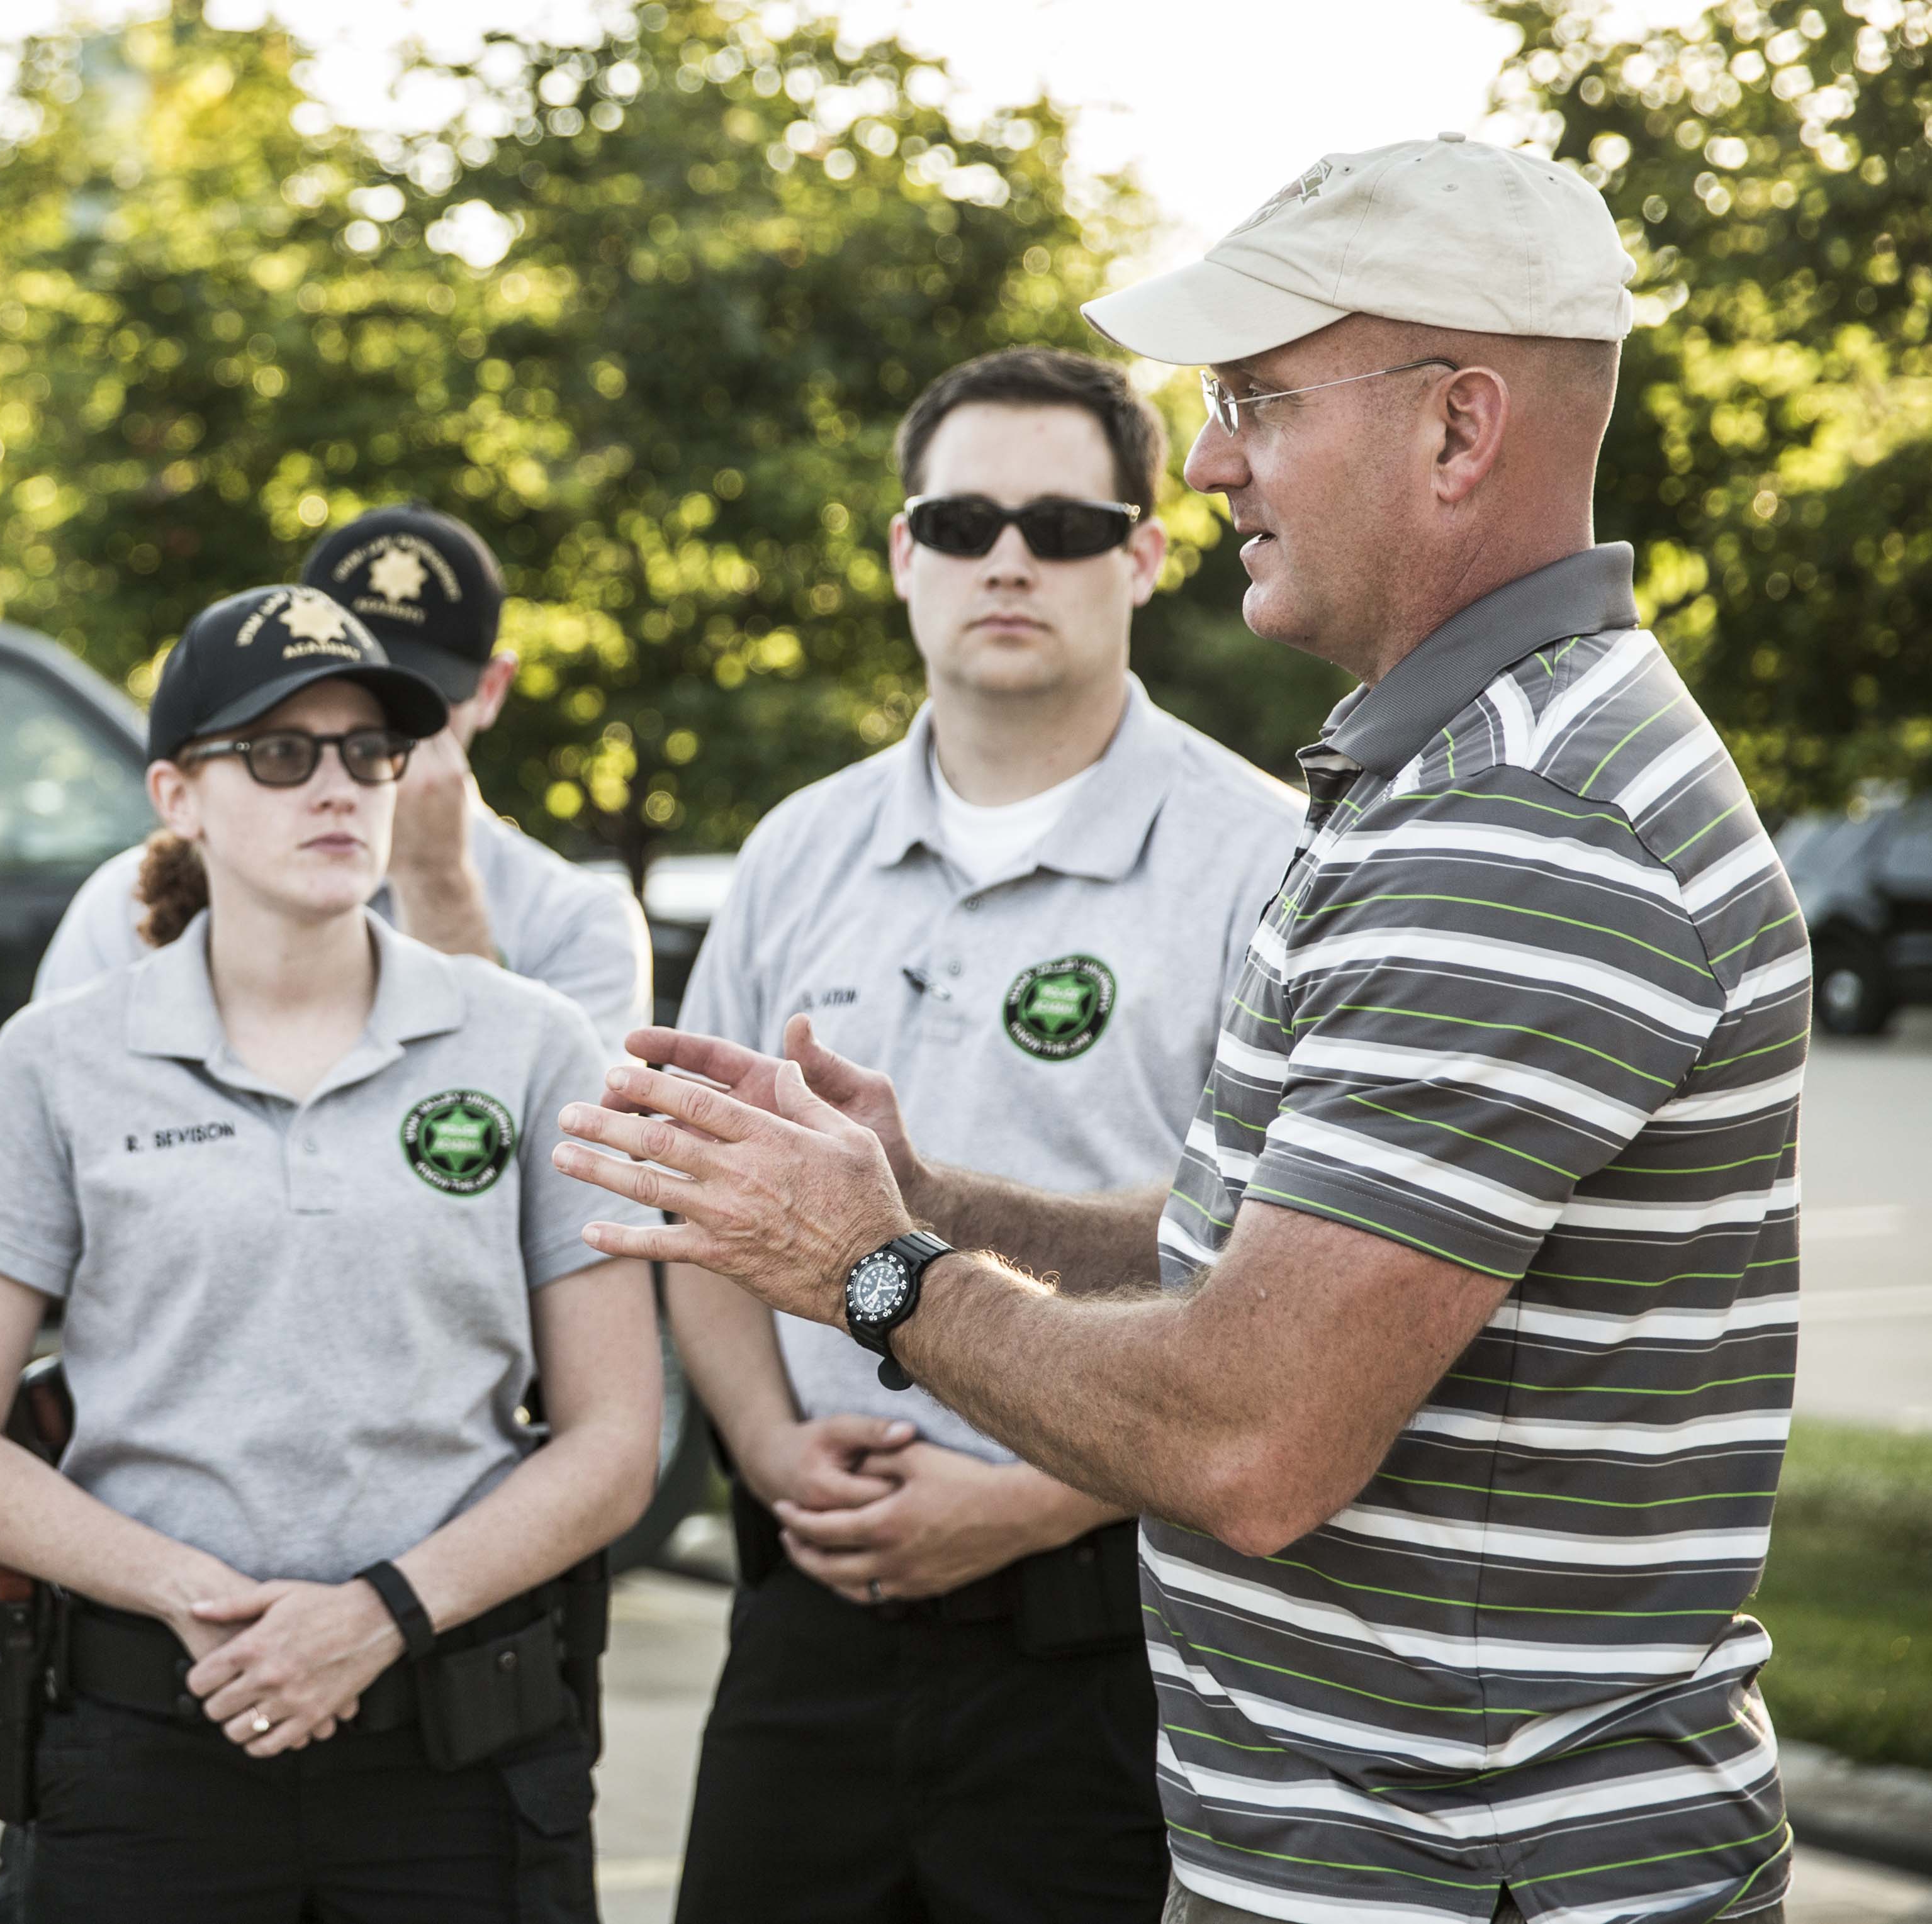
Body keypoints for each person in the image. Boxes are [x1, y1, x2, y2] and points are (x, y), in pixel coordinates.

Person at [555, 138, 1805, 1924]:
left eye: (1256, 400)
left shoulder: (1523, 829)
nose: (1209, 458)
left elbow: (1248, 1435)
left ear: (1456, 432)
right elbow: (1281, 1262)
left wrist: (877, 1271)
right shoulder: (1446, 777)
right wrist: (944, 1200)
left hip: (1464, 1882)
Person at [0, 584, 662, 1923]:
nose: (338, 785)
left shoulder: (531, 1042)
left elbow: (613, 1439)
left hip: (458, 1745)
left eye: (369, 749)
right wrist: (186, 1592)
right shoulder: (60, 1055)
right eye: (278, 750)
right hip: (152, 1734)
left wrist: (378, 1612)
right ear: (176, 794)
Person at [666, 347, 1299, 1924]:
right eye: (959, 519)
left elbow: (1281, 1279)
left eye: (1064, 523)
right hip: (809, 1612)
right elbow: (699, 1198)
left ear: (1145, 554)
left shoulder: (1268, 859)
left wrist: (1031, 1498)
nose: (1007, 558)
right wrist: (765, 1449)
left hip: (1110, 1634)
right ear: (903, 553)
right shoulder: (796, 847)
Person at [33, 505, 651, 1058]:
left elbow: (559, 1161)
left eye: (389, 719)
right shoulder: (125, 902)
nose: (341, 774)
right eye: (292, 733)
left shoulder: (578, 920)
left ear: (489, 692)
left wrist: (439, 886)